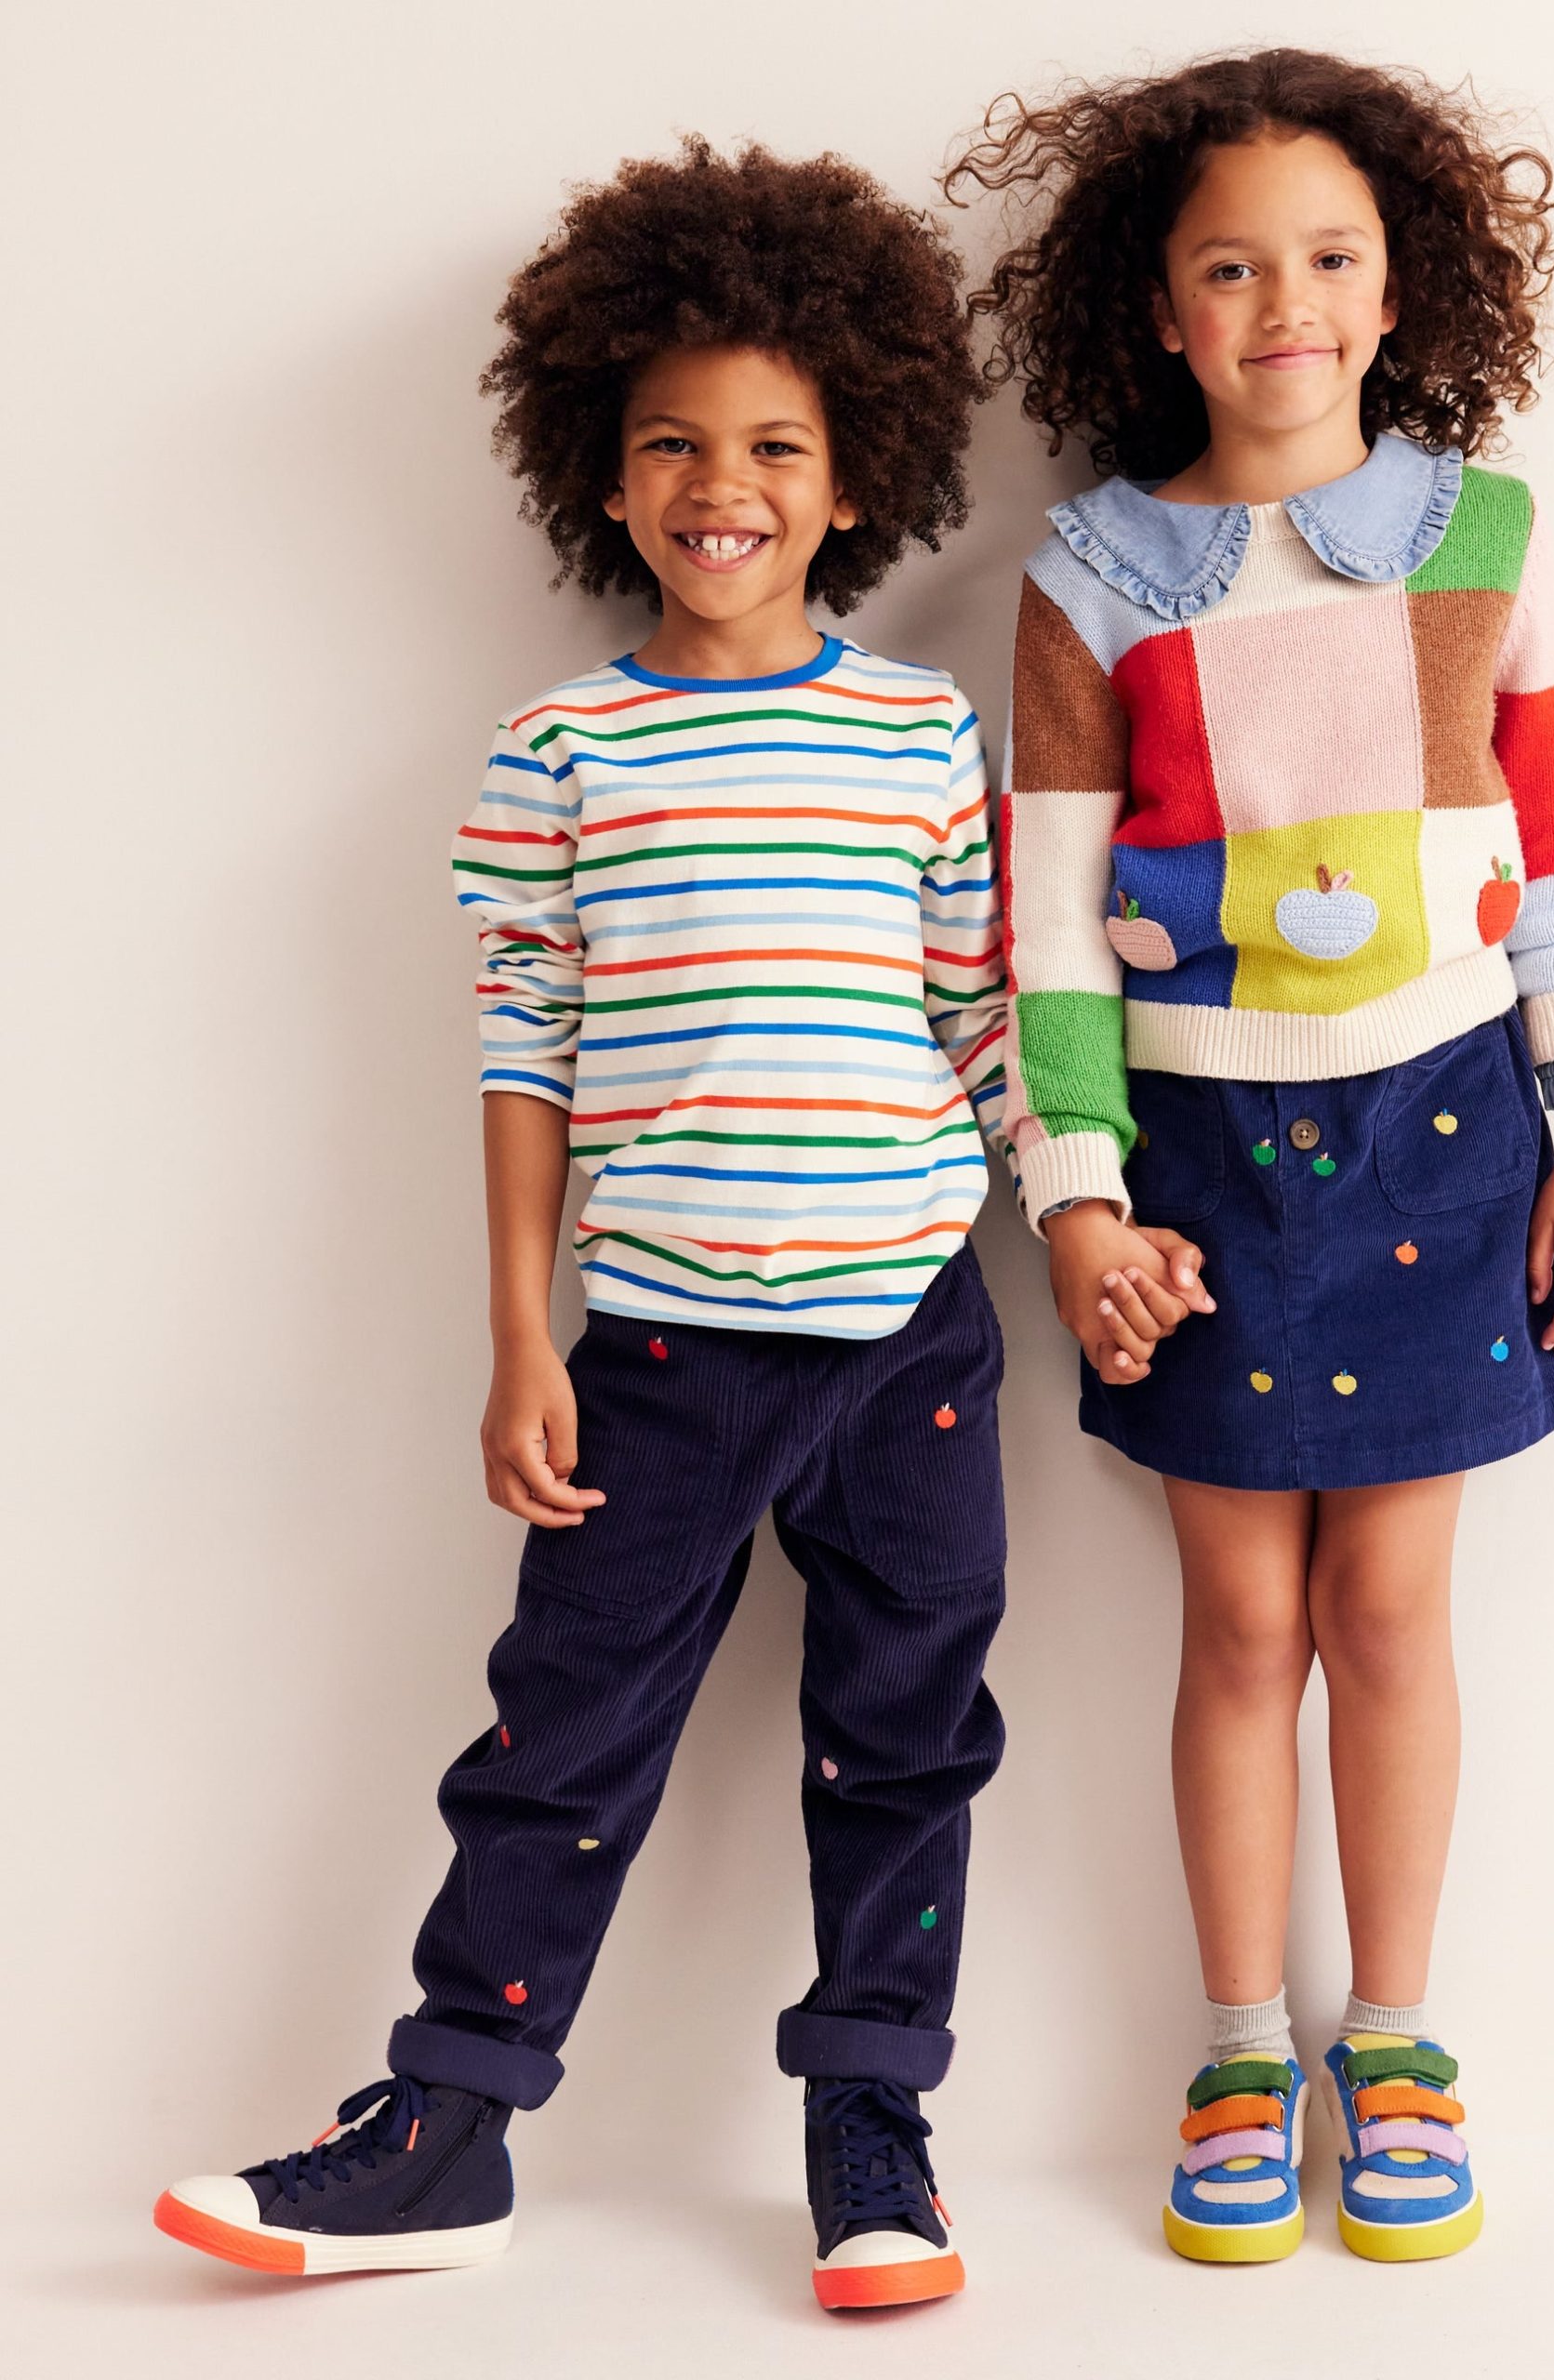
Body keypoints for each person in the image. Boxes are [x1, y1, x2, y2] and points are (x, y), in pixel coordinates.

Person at [154, 139, 1013, 2314]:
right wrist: (521, 1335)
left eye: (774, 446)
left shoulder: (920, 734)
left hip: (914, 1328)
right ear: (604, 480)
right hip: (659, 1352)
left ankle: (874, 2128)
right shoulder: (560, 749)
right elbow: (524, 1052)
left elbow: (982, 1017)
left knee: (910, 1735)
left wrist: (1083, 1218)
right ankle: (446, 2122)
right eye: (672, 444)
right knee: (561, 1739)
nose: (721, 485)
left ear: (852, 477)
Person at [950, 47, 1554, 2262]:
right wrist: (1078, 1196)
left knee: (1392, 1607)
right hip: (1200, 1164)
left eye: (1330, 257)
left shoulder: (1490, 537)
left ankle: (1397, 2033)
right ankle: (1241, 2042)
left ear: (1397, 287)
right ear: (1161, 310)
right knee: (1243, 1616)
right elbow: (1050, 922)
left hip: (1451, 1130)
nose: (1286, 304)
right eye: (1231, 268)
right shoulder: (1090, 577)